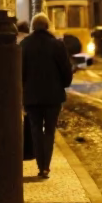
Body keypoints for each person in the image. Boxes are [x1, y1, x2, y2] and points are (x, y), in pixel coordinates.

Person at [21, 13, 73, 178]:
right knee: (50, 130)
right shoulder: (57, 45)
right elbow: (66, 70)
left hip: (32, 97)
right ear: (47, 26)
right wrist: (62, 85)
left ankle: (40, 165)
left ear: (33, 27)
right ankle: (46, 167)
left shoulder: (24, 45)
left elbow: (20, 73)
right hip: (53, 97)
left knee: (36, 130)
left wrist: (24, 89)